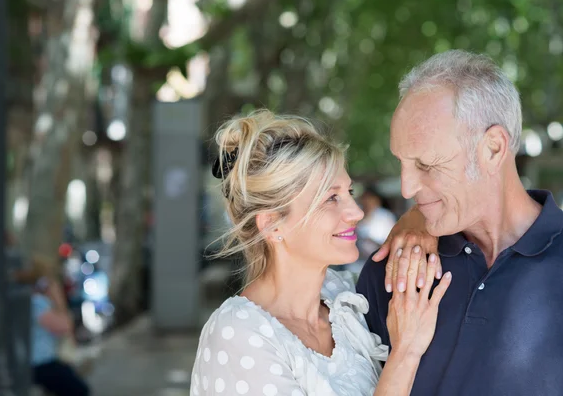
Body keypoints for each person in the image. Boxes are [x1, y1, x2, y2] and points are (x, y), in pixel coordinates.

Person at [190, 110, 451, 395]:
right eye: (330, 198)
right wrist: (407, 351)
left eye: (349, 193)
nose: (355, 212)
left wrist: (419, 220)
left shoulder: (345, 301)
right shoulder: (238, 335)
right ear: (273, 224)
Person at [357, 49, 563, 395]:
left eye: (426, 165)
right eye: (402, 163)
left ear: (493, 149)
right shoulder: (394, 272)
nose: (407, 187)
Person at [16, 260, 90, 396]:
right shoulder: (37, 302)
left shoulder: (28, 300)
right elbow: (65, 327)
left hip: (36, 362)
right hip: (40, 363)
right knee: (80, 390)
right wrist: (58, 298)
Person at [351, 186, 396, 273]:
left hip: (378, 261)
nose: (367, 202)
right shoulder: (356, 214)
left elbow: (391, 242)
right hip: (355, 264)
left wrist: (372, 241)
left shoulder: (385, 216)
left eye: (370, 199)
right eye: (364, 199)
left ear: (377, 200)